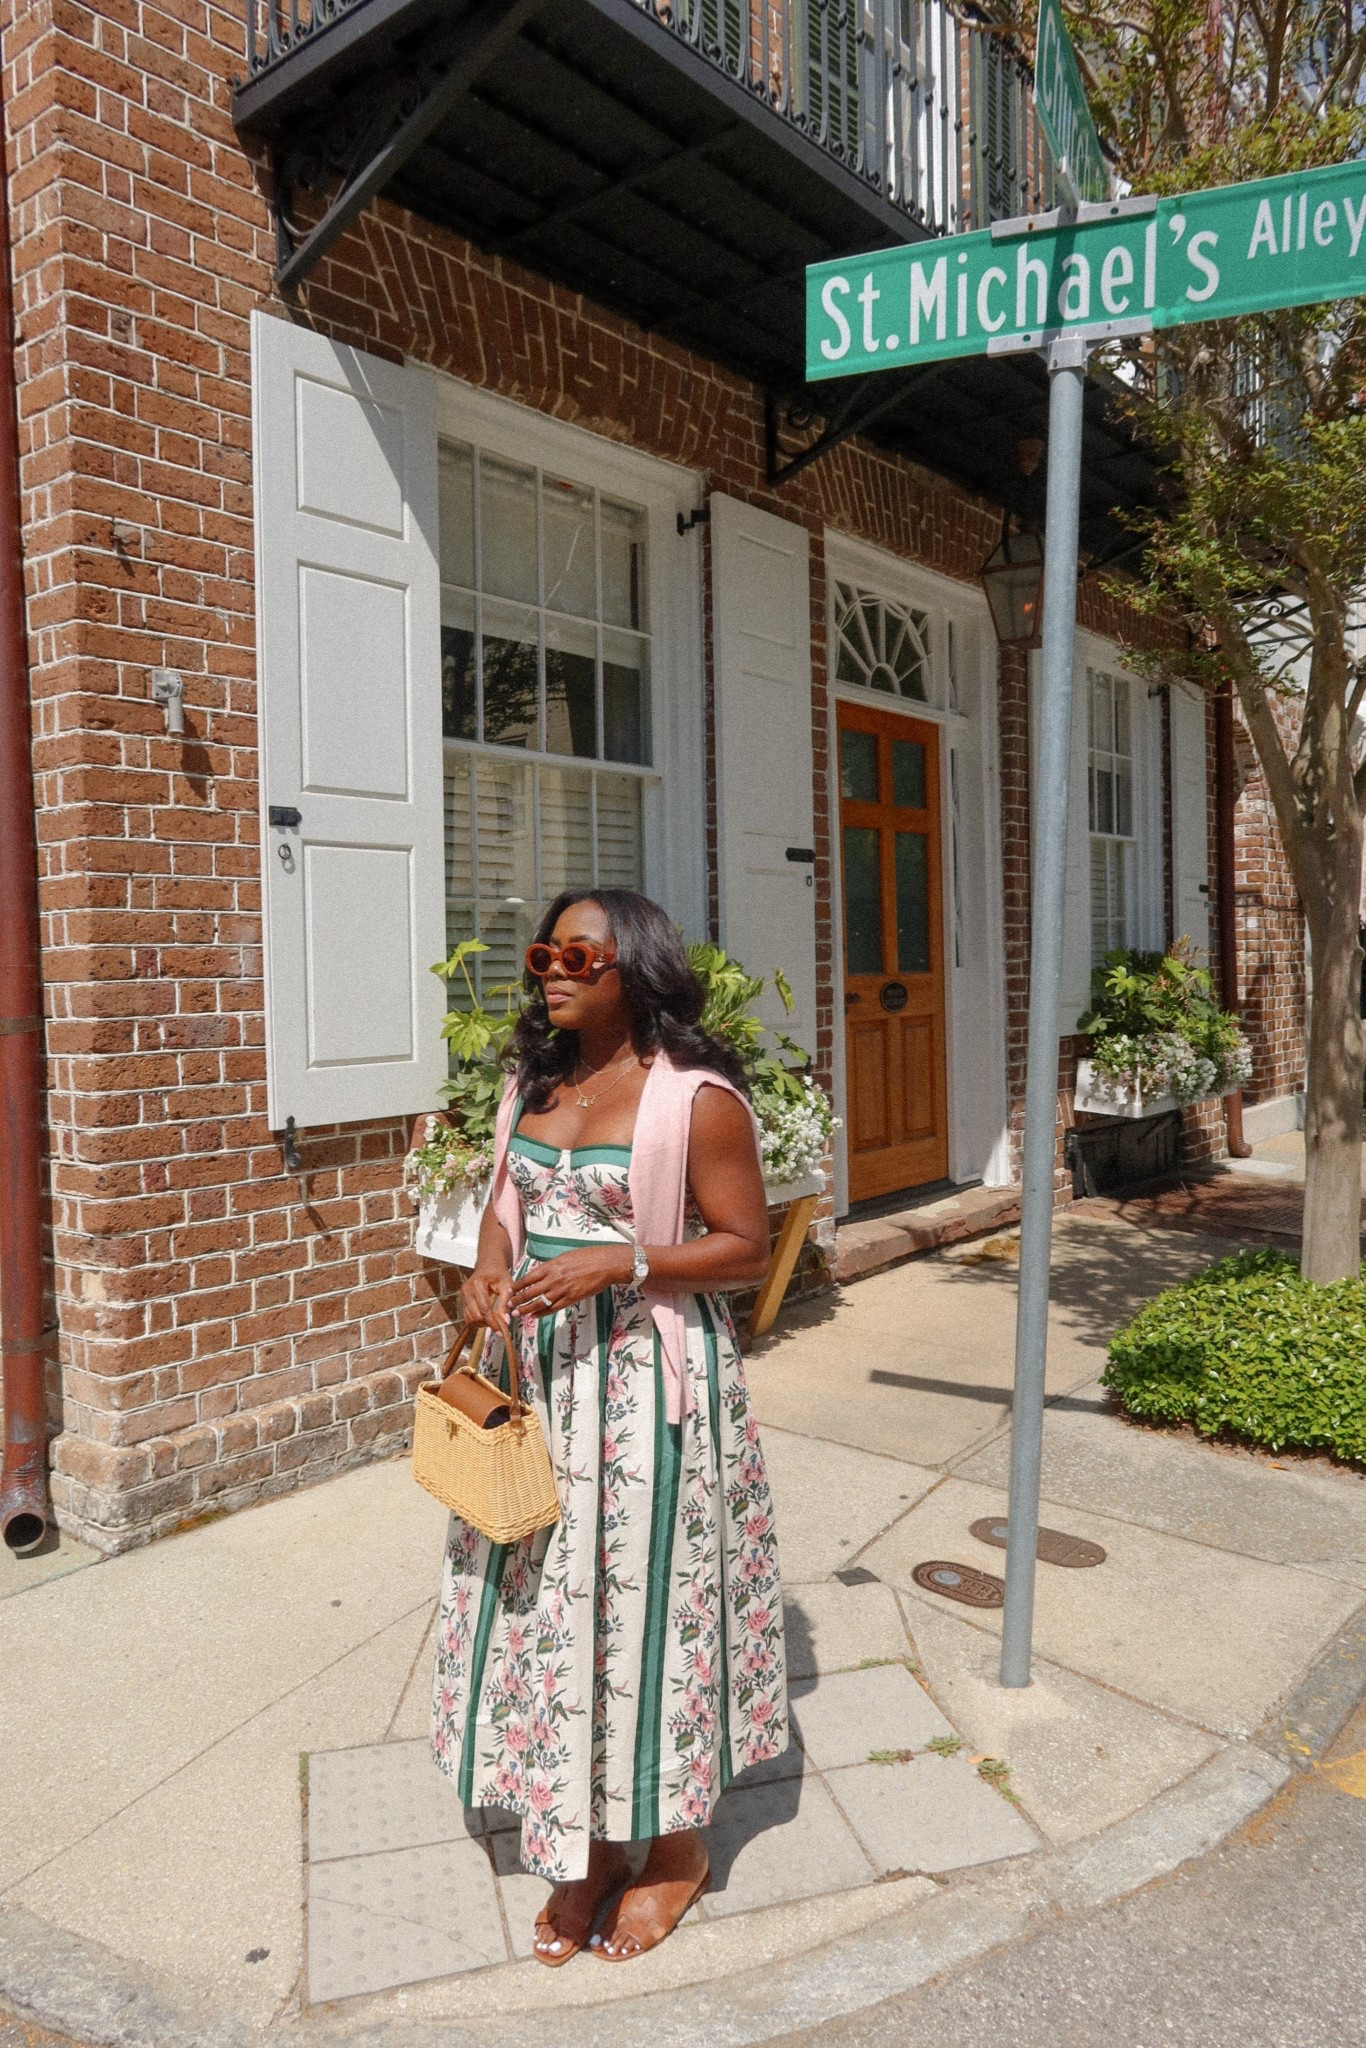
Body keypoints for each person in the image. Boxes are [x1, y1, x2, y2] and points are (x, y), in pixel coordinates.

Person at [430, 888, 788, 1965]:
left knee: (656, 1621)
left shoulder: (697, 1099)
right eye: (544, 951)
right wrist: (487, 1278)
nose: (553, 968)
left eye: (579, 953)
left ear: (634, 964)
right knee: (553, 1617)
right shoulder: (532, 1083)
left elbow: (748, 1248)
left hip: (647, 1401)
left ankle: (675, 1848)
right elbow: (502, 1209)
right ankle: (580, 1846)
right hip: (540, 1394)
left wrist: (621, 1259)